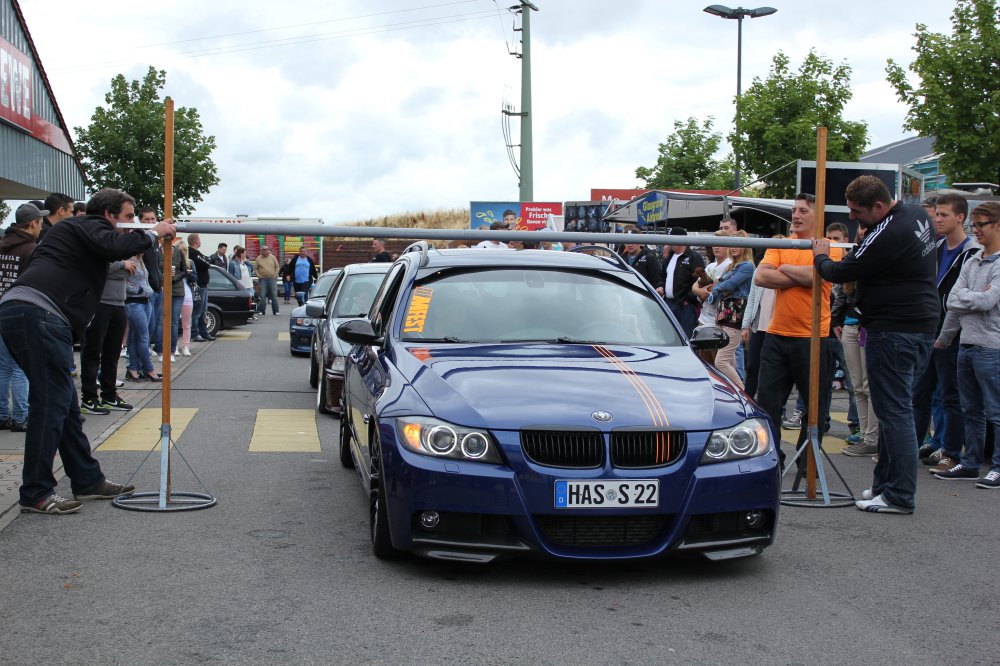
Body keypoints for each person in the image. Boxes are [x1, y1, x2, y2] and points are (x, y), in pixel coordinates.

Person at [0, 187, 175, 514]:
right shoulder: (89, 225)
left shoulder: (74, 230)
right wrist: (153, 233)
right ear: (109, 215)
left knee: (64, 403)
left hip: (27, 311)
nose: (131, 224)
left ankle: (87, 478)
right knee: (51, 403)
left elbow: (105, 251)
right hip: (40, 313)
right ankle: (36, 492)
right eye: (127, 218)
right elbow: (115, 244)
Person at [812, 175, 938, 514]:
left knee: (894, 413)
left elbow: (840, 272)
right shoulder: (917, 215)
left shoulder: (888, 233)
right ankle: (885, 486)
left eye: (857, 212)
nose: (853, 218)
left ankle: (899, 495)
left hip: (894, 330)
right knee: (894, 410)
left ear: (879, 206)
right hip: (919, 325)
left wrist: (820, 256)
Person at [755, 193, 843, 472]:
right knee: (768, 405)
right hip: (777, 335)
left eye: (803, 210)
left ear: (817, 215)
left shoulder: (829, 247)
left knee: (816, 409)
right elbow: (761, 277)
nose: (796, 215)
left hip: (814, 338)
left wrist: (785, 269)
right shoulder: (781, 243)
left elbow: (820, 276)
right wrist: (802, 272)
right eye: (794, 210)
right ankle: (773, 462)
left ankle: (808, 465)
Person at [932, 202, 1000, 489]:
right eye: (975, 224)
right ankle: (971, 463)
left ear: (998, 225)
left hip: (991, 348)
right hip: (965, 345)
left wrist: (967, 297)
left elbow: (988, 301)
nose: (976, 230)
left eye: (982, 224)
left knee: (995, 411)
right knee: (969, 408)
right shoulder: (972, 260)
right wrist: (944, 340)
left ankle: (996, 467)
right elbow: (952, 303)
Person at [912, 194, 978, 474]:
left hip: (954, 332)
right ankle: (909, 449)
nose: (937, 219)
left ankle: (951, 453)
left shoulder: (970, 252)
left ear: (960, 217)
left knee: (951, 396)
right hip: (927, 329)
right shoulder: (934, 247)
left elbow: (964, 297)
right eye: (936, 214)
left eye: (944, 215)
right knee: (919, 393)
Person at [834, 226, 880, 458]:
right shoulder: (855, 254)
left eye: (866, 227)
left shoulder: (878, 253)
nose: (861, 230)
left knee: (869, 384)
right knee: (857, 384)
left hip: (868, 325)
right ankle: (865, 435)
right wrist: (835, 320)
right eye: (860, 228)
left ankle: (872, 437)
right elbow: (843, 291)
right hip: (850, 325)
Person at [0, 204, 45, 431]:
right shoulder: (31, 249)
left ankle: (1, 415)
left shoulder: (2, 245)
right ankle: (20, 416)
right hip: (19, 309)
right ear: (32, 223)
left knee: (2, 367)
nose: (42, 226)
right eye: (40, 222)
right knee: (20, 367)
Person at [79, 252, 136, 415]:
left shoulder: (120, 250)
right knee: (93, 353)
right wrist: (120, 265)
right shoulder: (99, 245)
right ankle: (89, 399)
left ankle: (109, 395)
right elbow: (97, 268)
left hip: (118, 304)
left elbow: (131, 271)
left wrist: (118, 268)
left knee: (112, 355)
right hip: (99, 305)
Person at [706, 231, 754, 388]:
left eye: (738, 244)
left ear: (745, 247)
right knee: (729, 360)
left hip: (735, 315)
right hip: (725, 315)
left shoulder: (746, 266)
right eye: (731, 244)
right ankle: (737, 393)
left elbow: (728, 285)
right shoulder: (733, 266)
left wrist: (718, 286)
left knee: (721, 361)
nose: (733, 248)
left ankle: (742, 393)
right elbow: (721, 284)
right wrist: (720, 286)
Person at [656, 227, 704, 337]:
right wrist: (660, 286)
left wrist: (688, 299)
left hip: (685, 307)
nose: (669, 242)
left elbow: (700, 280)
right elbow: (662, 277)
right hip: (669, 303)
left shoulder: (694, 257)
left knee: (686, 337)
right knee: (668, 336)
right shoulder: (669, 257)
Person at [123, 250, 160, 382]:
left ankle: (133, 368)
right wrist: (138, 290)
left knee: (135, 337)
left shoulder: (140, 259)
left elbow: (142, 279)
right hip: (134, 303)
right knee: (143, 338)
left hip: (145, 301)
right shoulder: (129, 259)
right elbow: (124, 281)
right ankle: (149, 369)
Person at [186, 233, 215, 340]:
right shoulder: (193, 253)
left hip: (203, 286)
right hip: (197, 286)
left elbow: (208, 260)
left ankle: (204, 332)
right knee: (197, 311)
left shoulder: (197, 253)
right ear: (196, 241)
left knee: (203, 311)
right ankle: (195, 333)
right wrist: (207, 260)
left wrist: (207, 259)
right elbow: (207, 263)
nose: (200, 241)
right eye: (199, 239)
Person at [254, 245, 281, 314]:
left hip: (272, 279)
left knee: (274, 296)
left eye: (267, 249)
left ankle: (276, 311)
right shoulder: (258, 258)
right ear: (261, 250)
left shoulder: (272, 257)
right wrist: (258, 275)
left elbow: (277, 266)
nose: (265, 251)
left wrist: (275, 274)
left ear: (269, 250)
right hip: (262, 279)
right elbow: (255, 268)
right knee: (262, 296)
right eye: (264, 249)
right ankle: (261, 311)